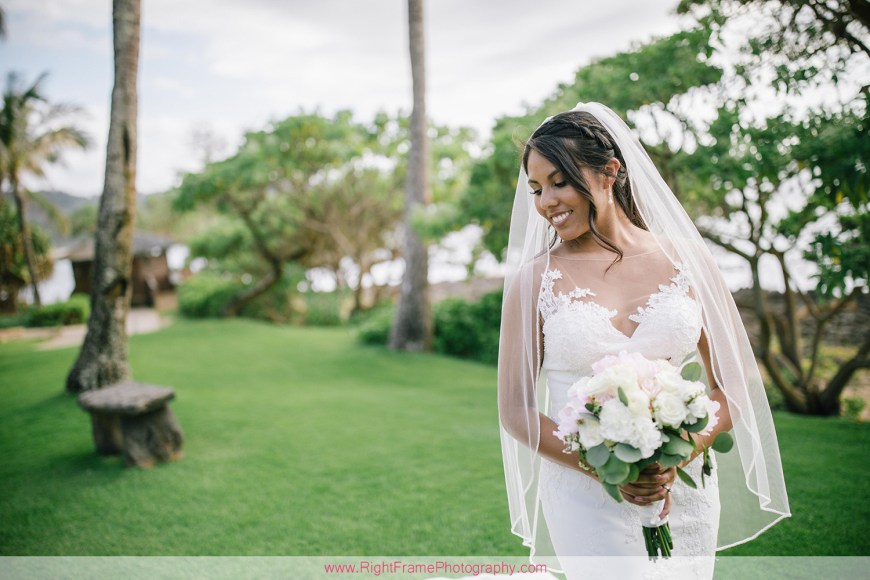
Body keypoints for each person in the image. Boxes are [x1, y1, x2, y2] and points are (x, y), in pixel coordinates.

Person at [497, 103, 790, 579]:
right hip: (584, 492)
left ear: (609, 172)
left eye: (559, 181)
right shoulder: (534, 282)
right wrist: (610, 469)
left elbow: (734, 383)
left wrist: (677, 454)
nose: (546, 201)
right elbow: (516, 412)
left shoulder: (689, 259)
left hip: (683, 485)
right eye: (535, 188)